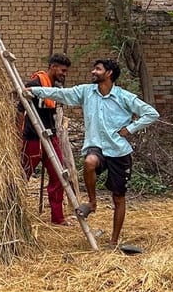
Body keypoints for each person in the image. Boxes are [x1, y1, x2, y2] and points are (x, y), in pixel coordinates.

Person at [23, 59, 159, 248]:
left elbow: (151, 113)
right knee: (89, 162)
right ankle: (92, 203)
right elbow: (60, 94)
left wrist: (130, 129)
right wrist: (35, 91)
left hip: (119, 151)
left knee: (118, 198)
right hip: (97, 147)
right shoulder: (86, 92)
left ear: (109, 73)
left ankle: (113, 241)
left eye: (98, 69)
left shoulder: (123, 96)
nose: (93, 72)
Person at [20, 54, 73, 225]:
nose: (64, 74)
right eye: (62, 70)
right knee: (23, 176)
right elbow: (20, 110)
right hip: (33, 138)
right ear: (53, 67)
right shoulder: (34, 85)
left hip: (51, 137)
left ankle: (57, 218)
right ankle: (15, 214)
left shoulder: (55, 89)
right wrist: (18, 135)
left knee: (59, 176)